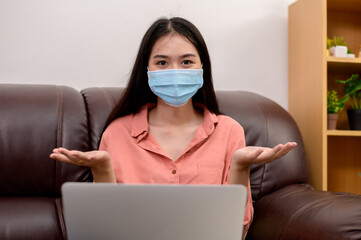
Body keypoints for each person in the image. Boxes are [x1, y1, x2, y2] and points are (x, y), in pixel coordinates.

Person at [50, 17, 297, 237]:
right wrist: (103, 169)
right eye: (162, 63)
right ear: (146, 70)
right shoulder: (117, 133)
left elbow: (235, 233)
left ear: (202, 69)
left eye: (187, 61)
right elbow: (106, 229)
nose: (175, 72)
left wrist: (241, 165)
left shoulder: (229, 131)